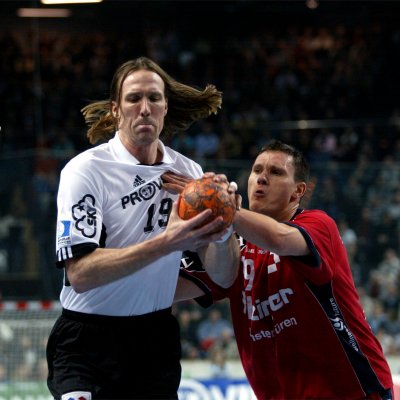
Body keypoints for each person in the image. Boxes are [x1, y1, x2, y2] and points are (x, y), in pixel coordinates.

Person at [46, 56, 240, 400]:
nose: (145, 108)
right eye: (134, 98)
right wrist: (166, 243)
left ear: (166, 107)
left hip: (154, 341)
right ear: (116, 110)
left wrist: (225, 230)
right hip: (86, 342)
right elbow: (80, 274)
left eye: (154, 98)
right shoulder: (86, 171)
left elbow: (224, 277)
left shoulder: (190, 174)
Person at [173, 140, 393, 399]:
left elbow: (278, 238)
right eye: (257, 170)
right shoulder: (233, 246)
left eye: (275, 172)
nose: (261, 178)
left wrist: (218, 205)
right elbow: (170, 290)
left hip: (351, 393)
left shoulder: (318, 224)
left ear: (298, 191)